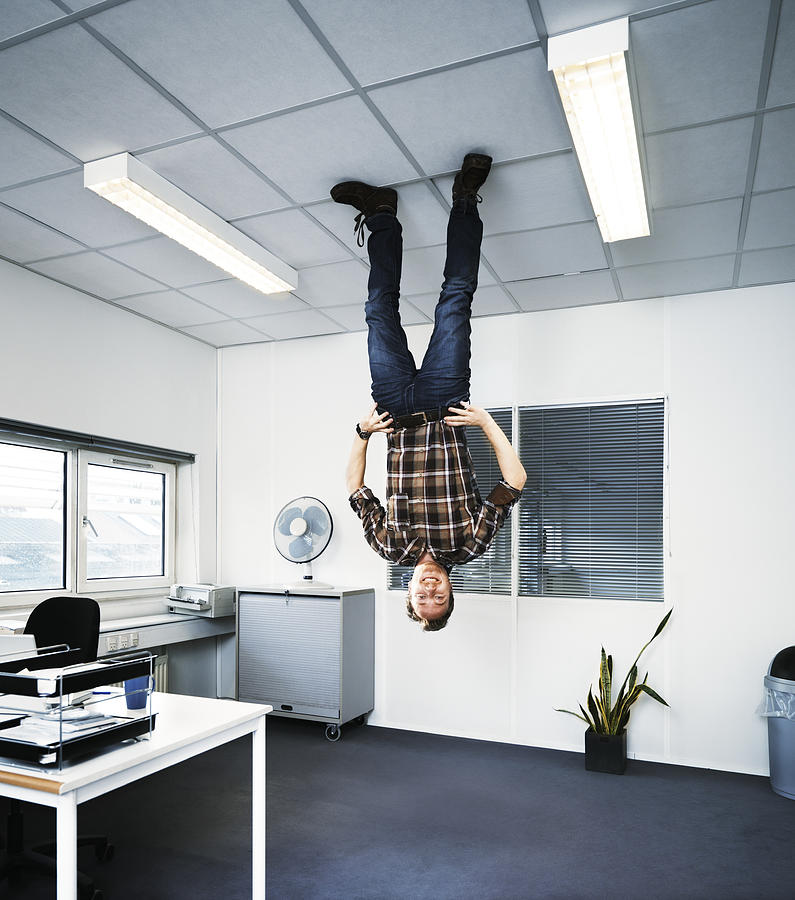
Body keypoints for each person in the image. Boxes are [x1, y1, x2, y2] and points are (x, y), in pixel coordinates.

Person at [333, 153, 526, 632]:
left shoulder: (389, 546)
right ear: (451, 591)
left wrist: (361, 434)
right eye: (439, 596)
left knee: (378, 310)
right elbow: (516, 482)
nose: (430, 589)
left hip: (394, 409)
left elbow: (355, 490)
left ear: (410, 595)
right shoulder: (470, 545)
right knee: (456, 297)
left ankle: (381, 215)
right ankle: (465, 197)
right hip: (445, 402)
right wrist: (485, 423)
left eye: (423, 597)